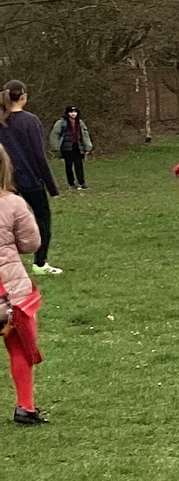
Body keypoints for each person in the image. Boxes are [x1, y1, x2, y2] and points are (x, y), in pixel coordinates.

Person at [1, 148, 47, 423]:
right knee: (19, 346)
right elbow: (32, 243)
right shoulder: (14, 204)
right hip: (9, 292)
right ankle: (25, 406)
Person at [1, 80, 60, 275]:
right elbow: (39, 156)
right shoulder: (30, 121)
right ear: (24, 97)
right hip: (30, 180)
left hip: (5, 181)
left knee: (5, 222)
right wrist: (52, 186)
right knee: (42, 218)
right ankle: (40, 263)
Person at [55, 106, 91, 191]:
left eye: (75, 112)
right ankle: (71, 183)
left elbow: (85, 135)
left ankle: (81, 183)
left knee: (79, 165)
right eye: (71, 112)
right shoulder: (61, 123)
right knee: (69, 166)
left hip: (78, 147)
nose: (73, 114)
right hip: (67, 148)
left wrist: (87, 147)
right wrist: (56, 148)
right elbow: (55, 135)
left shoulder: (80, 123)